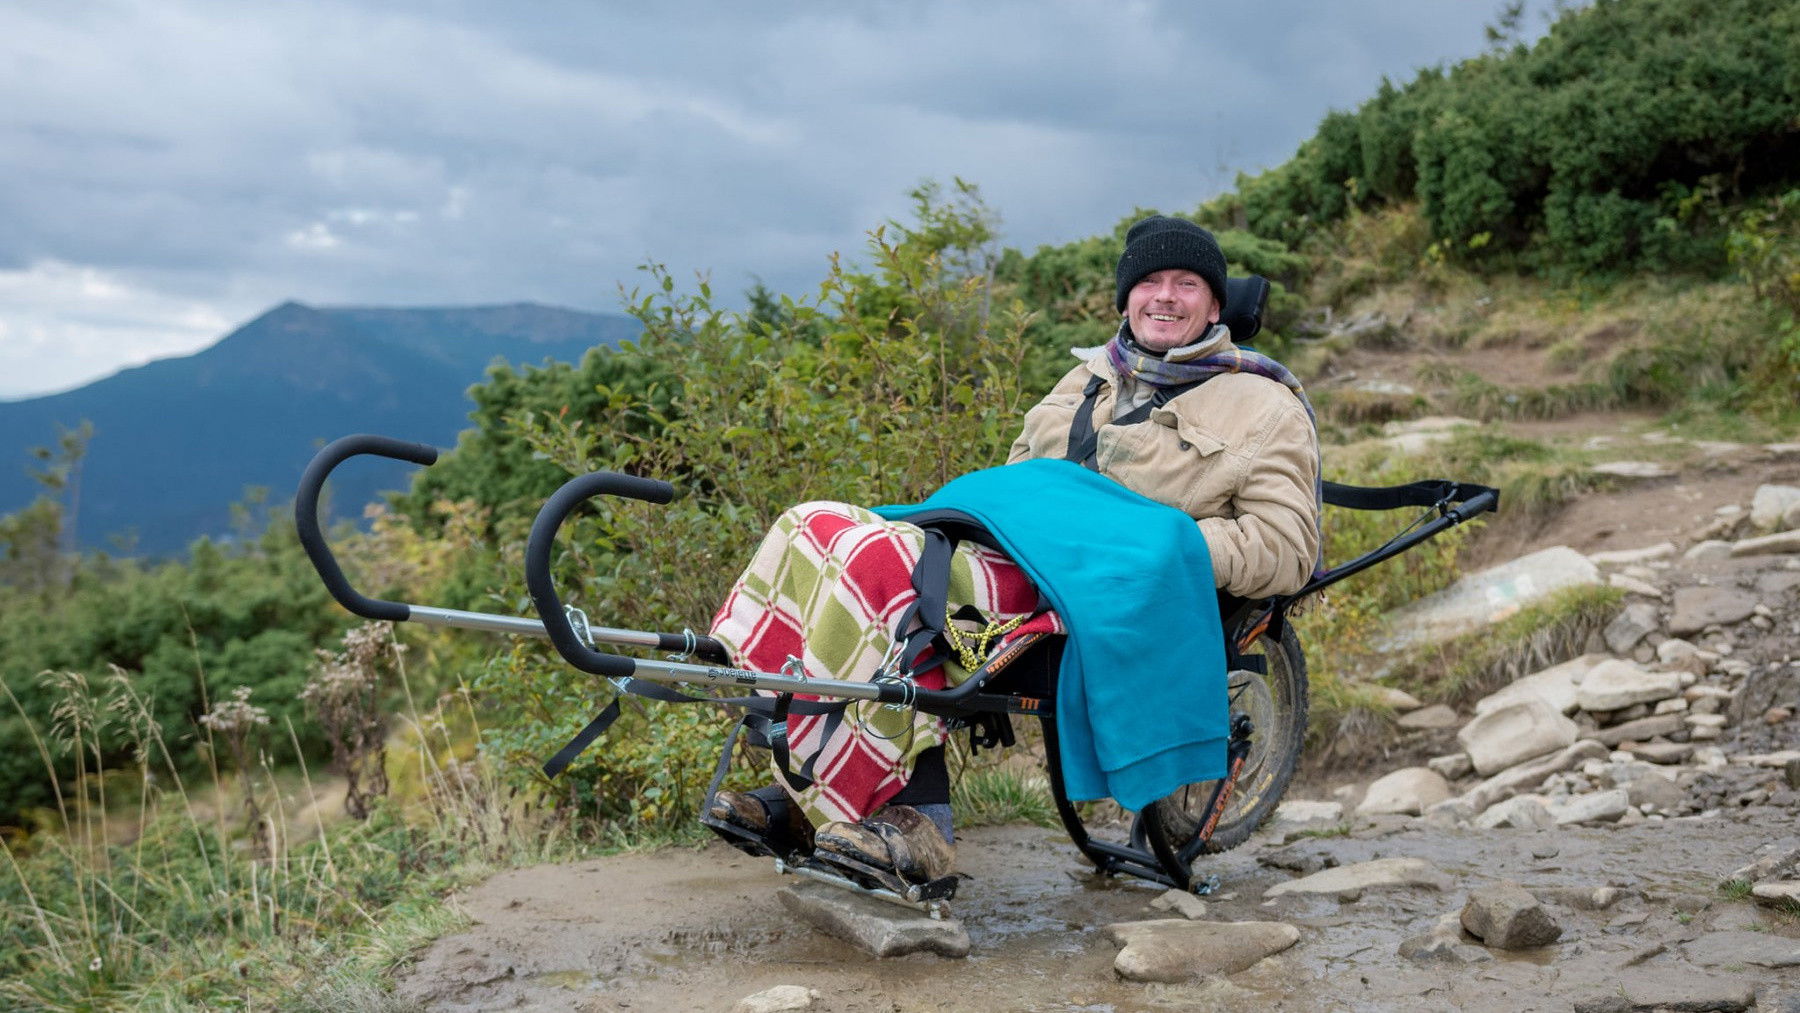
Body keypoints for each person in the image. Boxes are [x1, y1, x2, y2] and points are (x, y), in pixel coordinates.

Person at [706, 215, 1322, 887]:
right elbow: (1020, 483)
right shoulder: (1084, 381)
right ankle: (816, 785)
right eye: (1148, 282)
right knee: (815, 525)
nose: (1165, 296)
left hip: (1105, 589)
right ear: (1125, 298)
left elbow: (1287, 546)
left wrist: (1158, 546)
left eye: (1186, 283)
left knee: (879, 565)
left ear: (1213, 301)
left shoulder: (1264, 404)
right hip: (1016, 556)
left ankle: (920, 825)